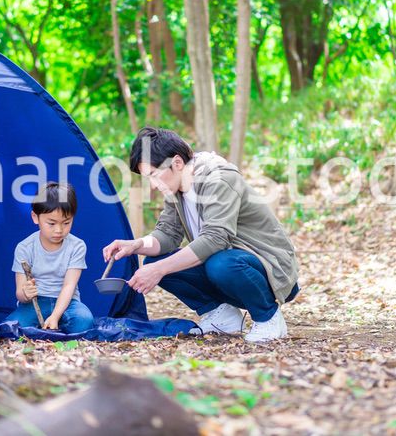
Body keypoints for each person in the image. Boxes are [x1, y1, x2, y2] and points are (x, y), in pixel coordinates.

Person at [103, 127, 299, 342]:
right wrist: (135, 244)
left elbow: (216, 239)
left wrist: (158, 270)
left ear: (177, 163)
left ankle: (268, 318)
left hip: (268, 269)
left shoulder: (220, 179)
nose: (152, 185)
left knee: (218, 263)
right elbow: (168, 234)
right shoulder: (175, 189)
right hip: (229, 268)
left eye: (154, 175)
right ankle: (222, 315)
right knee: (156, 259)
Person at [6, 182, 95, 332]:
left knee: (84, 321)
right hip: (36, 303)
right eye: (51, 223)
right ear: (35, 217)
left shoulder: (77, 246)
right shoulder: (24, 248)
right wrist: (25, 294)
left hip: (68, 302)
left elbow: (69, 286)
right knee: (12, 326)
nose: (59, 230)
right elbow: (20, 293)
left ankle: (55, 322)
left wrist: (55, 316)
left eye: (66, 223)